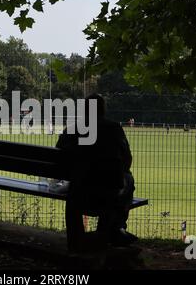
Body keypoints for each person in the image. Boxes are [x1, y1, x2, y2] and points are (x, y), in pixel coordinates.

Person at [56, 93, 137, 247]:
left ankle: (80, 239)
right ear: (103, 110)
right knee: (128, 179)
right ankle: (114, 229)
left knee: (113, 182)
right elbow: (127, 160)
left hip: (78, 191)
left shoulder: (71, 130)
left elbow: (59, 162)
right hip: (108, 191)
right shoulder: (114, 129)